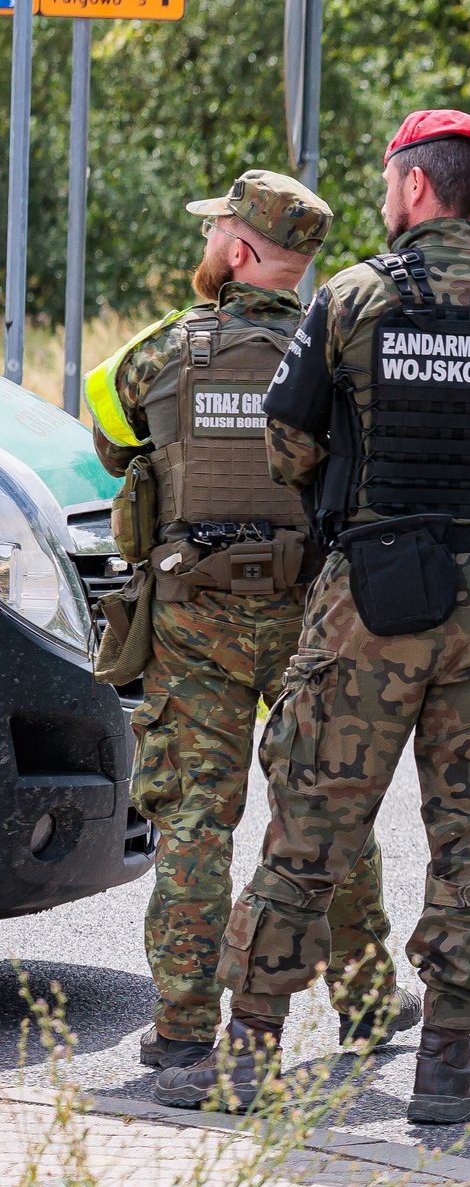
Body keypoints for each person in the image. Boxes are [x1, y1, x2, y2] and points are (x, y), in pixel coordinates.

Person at [154, 111, 470, 1122]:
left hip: (368, 596)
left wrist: (359, 501)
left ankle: (246, 1056)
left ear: (413, 189)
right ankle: (447, 1067)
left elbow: (289, 435)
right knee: (469, 846)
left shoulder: (351, 299)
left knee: (307, 827)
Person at [83, 170, 419, 1077]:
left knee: (196, 815)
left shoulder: (159, 354)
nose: (208, 245)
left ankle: (184, 1023)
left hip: (196, 617)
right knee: (328, 804)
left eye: (215, 231)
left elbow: (111, 439)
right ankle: (366, 997)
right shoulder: (341, 351)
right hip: (317, 611)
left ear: (237, 249)